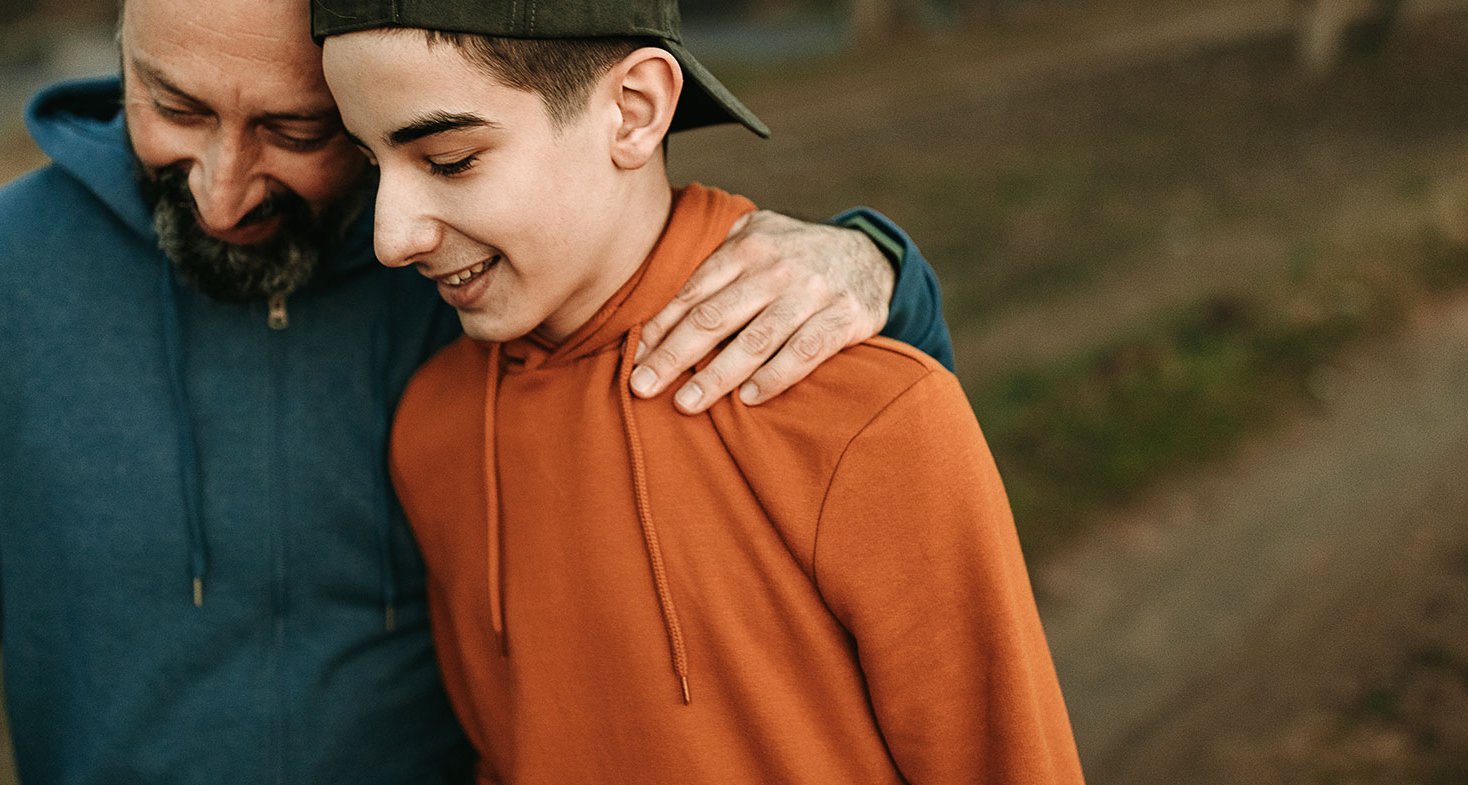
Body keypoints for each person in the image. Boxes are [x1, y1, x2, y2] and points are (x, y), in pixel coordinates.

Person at [0, 0, 953, 782]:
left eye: (293, 128)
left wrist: (878, 266)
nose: (221, 190)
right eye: (173, 107)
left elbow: (696, 316)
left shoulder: (470, 276)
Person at [320, 2, 1082, 784]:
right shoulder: (432, 431)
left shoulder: (866, 415)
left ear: (633, 110)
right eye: (372, 165)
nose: (391, 236)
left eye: (448, 160)